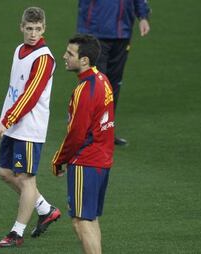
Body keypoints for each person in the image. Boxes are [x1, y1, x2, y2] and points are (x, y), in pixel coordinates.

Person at [0, 6, 61, 248]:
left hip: (29, 128)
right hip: (13, 125)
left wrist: (6, 120)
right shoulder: (19, 50)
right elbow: (15, 90)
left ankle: (16, 233)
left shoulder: (44, 58)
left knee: (26, 178)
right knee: (5, 173)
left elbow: (30, 96)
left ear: (44, 28)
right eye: (29, 28)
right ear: (21, 27)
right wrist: (6, 120)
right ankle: (45, 209)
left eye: (38, 29)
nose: (33, 33)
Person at [52, 34, 115, 254]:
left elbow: (76, 135)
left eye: (70, 54)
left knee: (81, 222)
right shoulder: (103, 80)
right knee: (90, 219)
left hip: (86, 161)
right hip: (102, 160)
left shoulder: (84, 91)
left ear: (85, 60)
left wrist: (59, 159)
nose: (64, 57)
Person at [77, 0, 151, 146]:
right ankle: (86, 132)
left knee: (113, 85)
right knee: (94, 85)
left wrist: (143, 16)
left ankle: (105, 131)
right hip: (95, 32)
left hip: (122, 32)